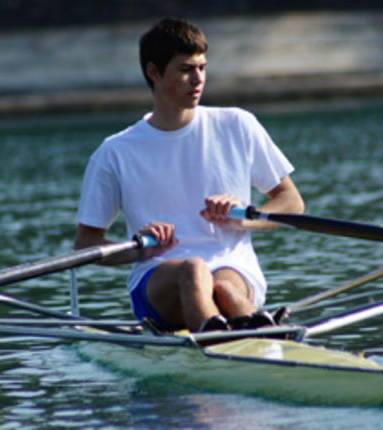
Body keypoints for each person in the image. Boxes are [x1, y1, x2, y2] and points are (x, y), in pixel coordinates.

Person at [74, 17, 304, 333]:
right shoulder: (115, 152)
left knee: (222, 288)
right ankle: (232, 341)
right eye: (185, 70)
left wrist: (243, 219)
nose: (198, 80)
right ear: (154, 73)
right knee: (194, 270)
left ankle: (259, 340)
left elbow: (291, 202)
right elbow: (86, 244)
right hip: (157, 280)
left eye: (202, 68)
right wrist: (139, 247)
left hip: (233, 269)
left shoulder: (238, 125)